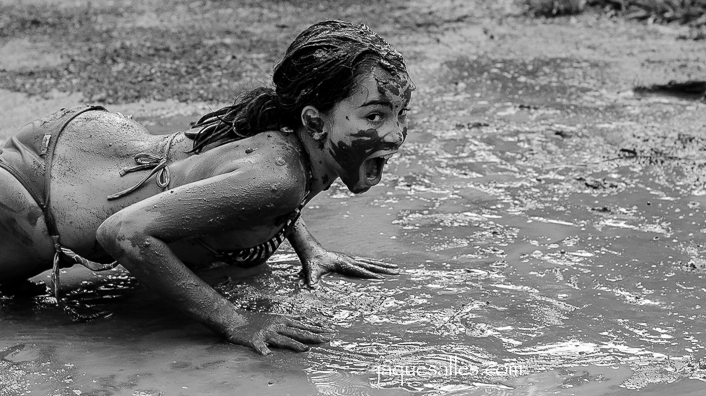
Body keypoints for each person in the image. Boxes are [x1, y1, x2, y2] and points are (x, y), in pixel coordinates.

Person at [0, 20, 413, 355]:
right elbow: (122, 232)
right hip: (37, 194)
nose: (395, 135)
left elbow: (249, 193)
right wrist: (234, 321)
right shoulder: (278, 176)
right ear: (314, 121)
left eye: (399, 114)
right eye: (374, 117)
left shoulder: (292, 149)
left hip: (96, 149)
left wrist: (312, 250)